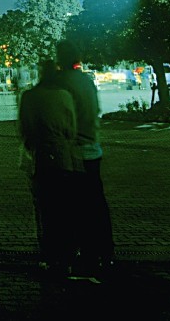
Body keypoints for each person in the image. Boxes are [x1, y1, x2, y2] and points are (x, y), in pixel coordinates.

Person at [56, 39, 115, 278]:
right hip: (93, 147)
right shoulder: (87, 81)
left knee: (75, 205)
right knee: (96, 202)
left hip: (75, 150)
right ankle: (105, 250)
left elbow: (61, 117)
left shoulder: (63, 82)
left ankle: (86, 255)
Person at [18, 60, 79, 277]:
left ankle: (48, 255)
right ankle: (67, 255)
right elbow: (71, 129)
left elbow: (24, 129)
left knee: (43, 209)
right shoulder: (64, 95)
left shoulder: (29, 96)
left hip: (40, 158)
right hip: (63, 158)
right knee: (65, 208)